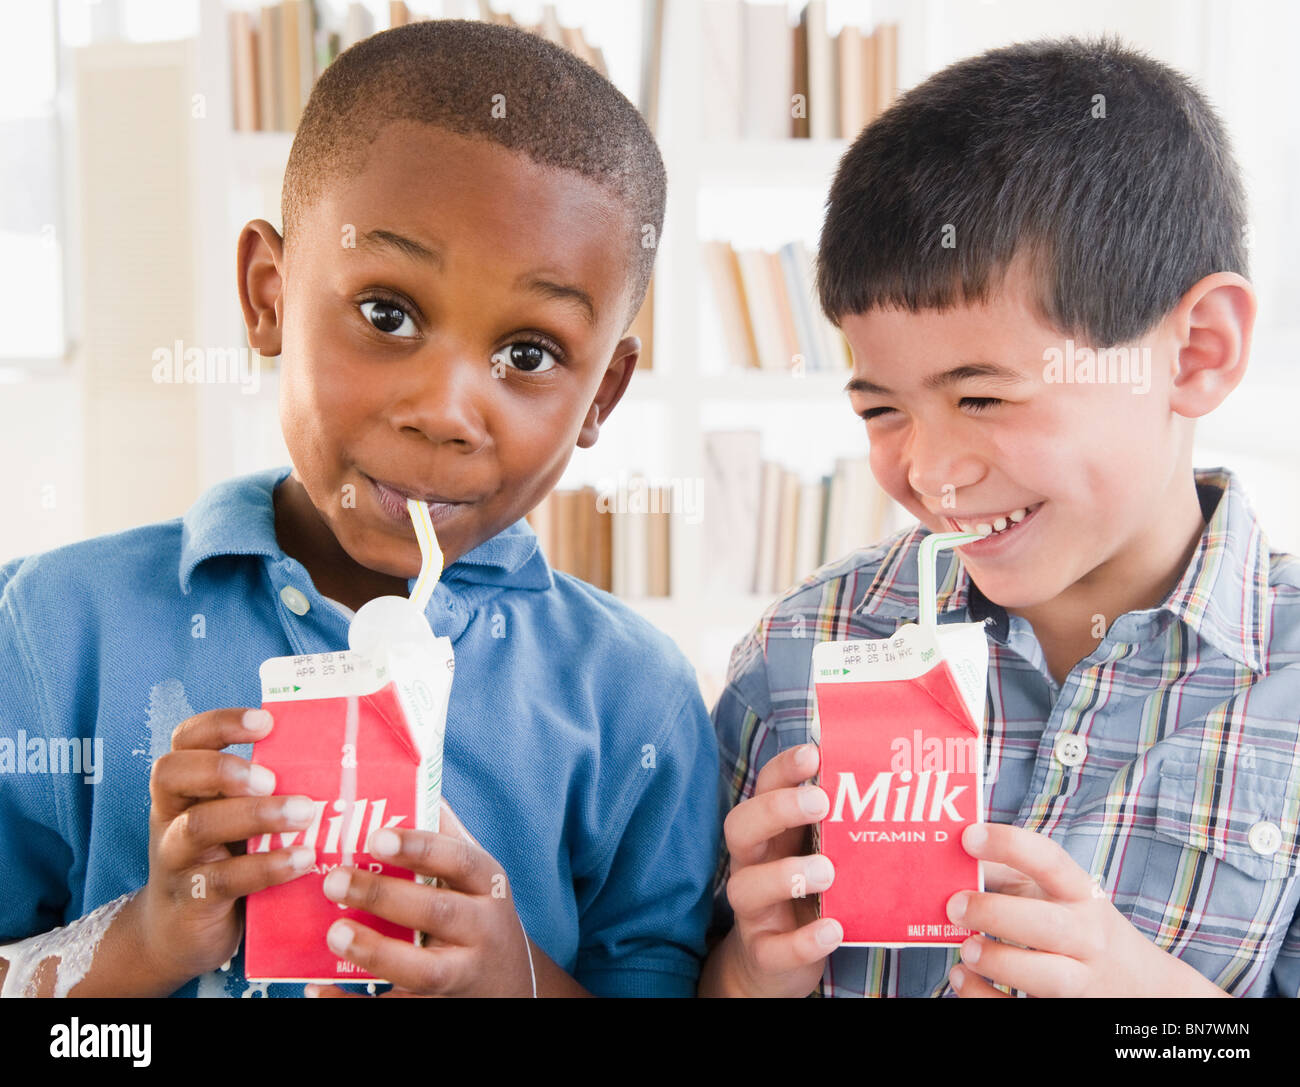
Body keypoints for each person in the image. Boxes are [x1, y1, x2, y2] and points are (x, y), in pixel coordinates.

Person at [0, 19, 717, 998]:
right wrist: (149, 938)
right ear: (269, 295)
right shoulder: (48, 629)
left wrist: (519, 982)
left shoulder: (634, 697)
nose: (443, 410)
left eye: (530, 354)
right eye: (387, 313)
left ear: (601, 396)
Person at [701, 36, 1300, 998]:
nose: (931, 472)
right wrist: (744, 970)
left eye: (982, 397)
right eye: (879, 410)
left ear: (1195, 354)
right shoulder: (799, 655)